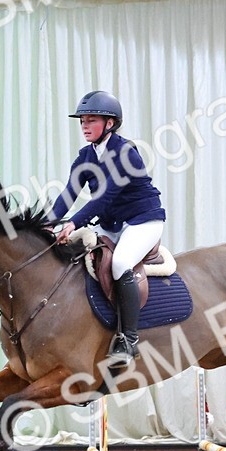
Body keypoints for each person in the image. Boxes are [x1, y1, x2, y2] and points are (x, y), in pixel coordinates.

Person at [51, 90, 165, 366]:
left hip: (143, 220)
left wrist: (74, 223)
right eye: (82, 121)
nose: (85, 126)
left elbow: (103, 199)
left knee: (120, 263)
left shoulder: (126, 153)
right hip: (112, 225)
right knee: (81, 257)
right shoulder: (85, 157)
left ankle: (129, 339)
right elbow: (68, 195)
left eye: (91, 120)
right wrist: (46, 224)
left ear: (110, 124)